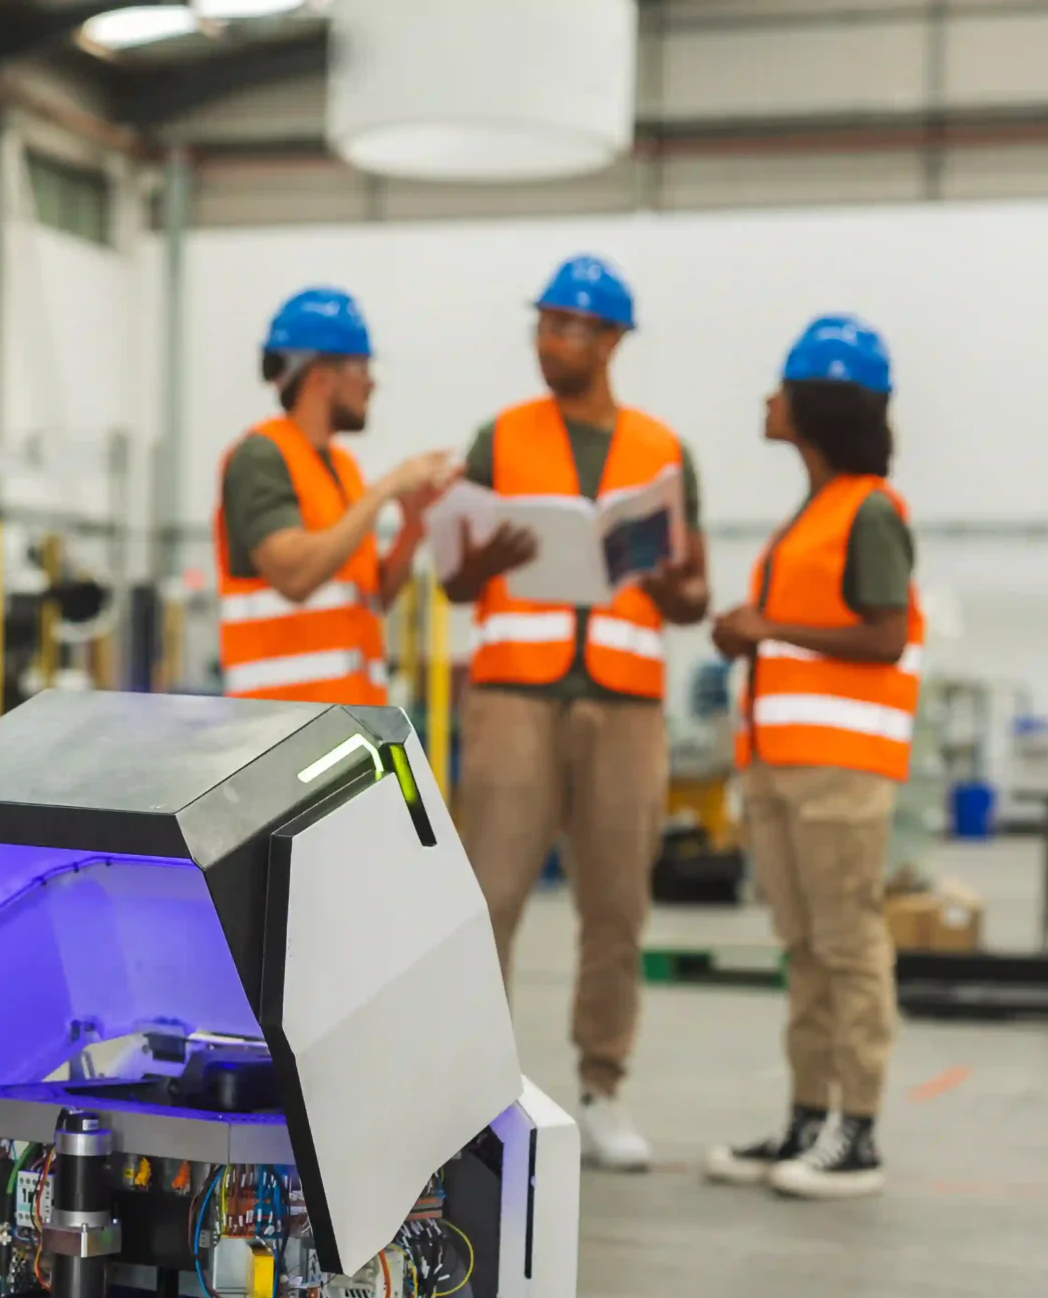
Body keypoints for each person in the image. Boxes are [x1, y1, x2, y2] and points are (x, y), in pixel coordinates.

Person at [445, 255, 709, 1172]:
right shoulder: (499, 439)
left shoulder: (663, 452)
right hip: (515, 696)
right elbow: (454, 576)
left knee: (616, 903)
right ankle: (473, 1094)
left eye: (570, 328)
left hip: (625, 708)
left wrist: (675, 578)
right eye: (545, 325)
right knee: (491, 901)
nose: (552, 342)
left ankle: (602, 1088)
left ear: (612, 342)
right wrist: (488, 560)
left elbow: (694, 597)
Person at [702, 316, 921, 1201]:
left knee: (847, 943)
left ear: (814, 404)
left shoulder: (868, 509)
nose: (767, 399)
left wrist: (764, 628)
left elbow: (885, 632)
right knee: (802, 946)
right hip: (783, 766)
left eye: (780, 385)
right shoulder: (817, 510)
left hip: (839, 769)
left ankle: (857, 1133)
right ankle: (807, 1118)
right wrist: (747, 637)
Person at [214, 286, 468, 705]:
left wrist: (413, 528)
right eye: (363, 368)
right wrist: (387, 489)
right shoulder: (260, 457)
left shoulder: (342, 468)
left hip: (345, 722)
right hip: (280, 727)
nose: (371, 385)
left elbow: (369, 600)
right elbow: (295, 578)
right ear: (323, 379)